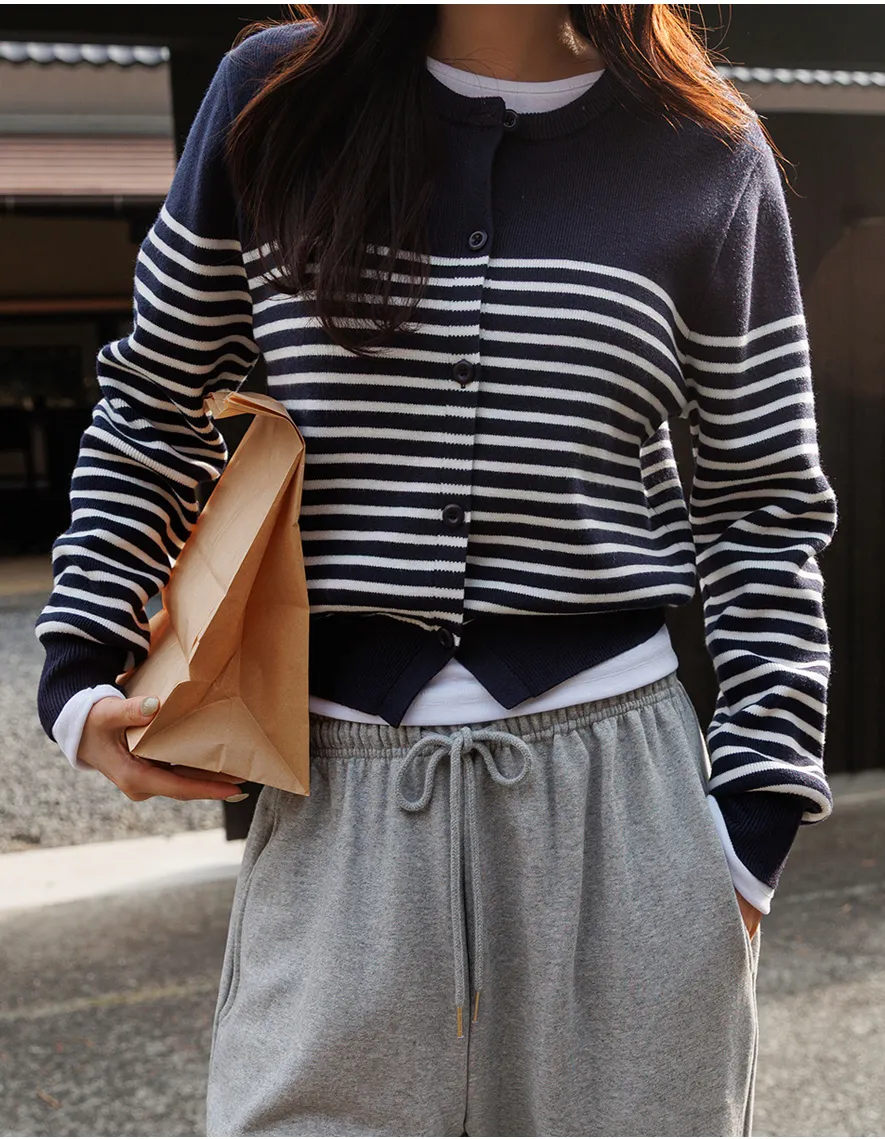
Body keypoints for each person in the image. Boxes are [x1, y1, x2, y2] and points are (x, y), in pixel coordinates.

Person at [34, 4, 838, 1136]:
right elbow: (155, 404)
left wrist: (751, 832)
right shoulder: (276, 99)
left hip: (622, 814)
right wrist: (80, 668)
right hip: (336, 803)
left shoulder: (704, 150)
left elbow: (762, 502)